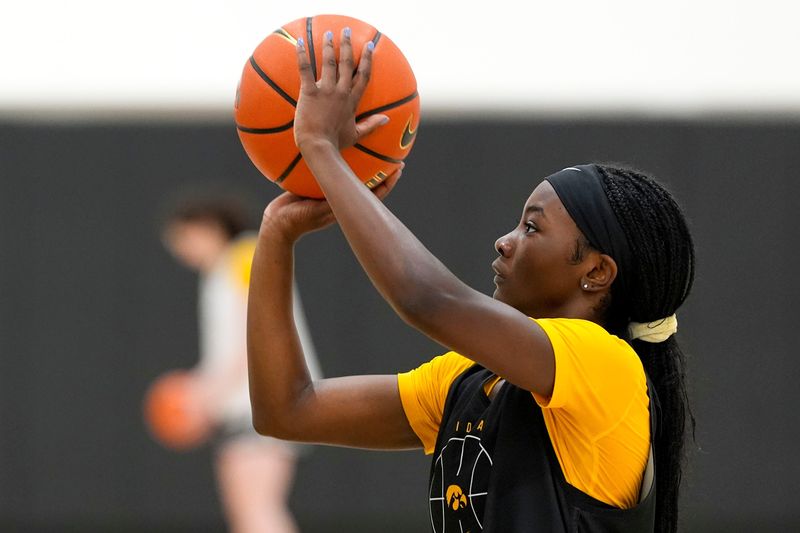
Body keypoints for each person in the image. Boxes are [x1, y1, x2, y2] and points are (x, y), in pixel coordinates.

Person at [247, 29, 694, 532]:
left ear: (595, 272)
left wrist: (321, 149)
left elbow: (426, 299)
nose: (505, 241)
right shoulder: (470, 380)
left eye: (531, 227)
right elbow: (286, 410)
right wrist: (277, 232)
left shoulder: (605, 366)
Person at [161, 193, 321, 533]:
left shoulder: (245, 255)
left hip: (265, 403)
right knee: (247, 512)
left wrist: (204, 395)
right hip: (250, 406)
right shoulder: (223, 270)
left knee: (257, 510)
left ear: (207, 228)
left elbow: (252, 334)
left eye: (184, 240)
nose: (183, 253)